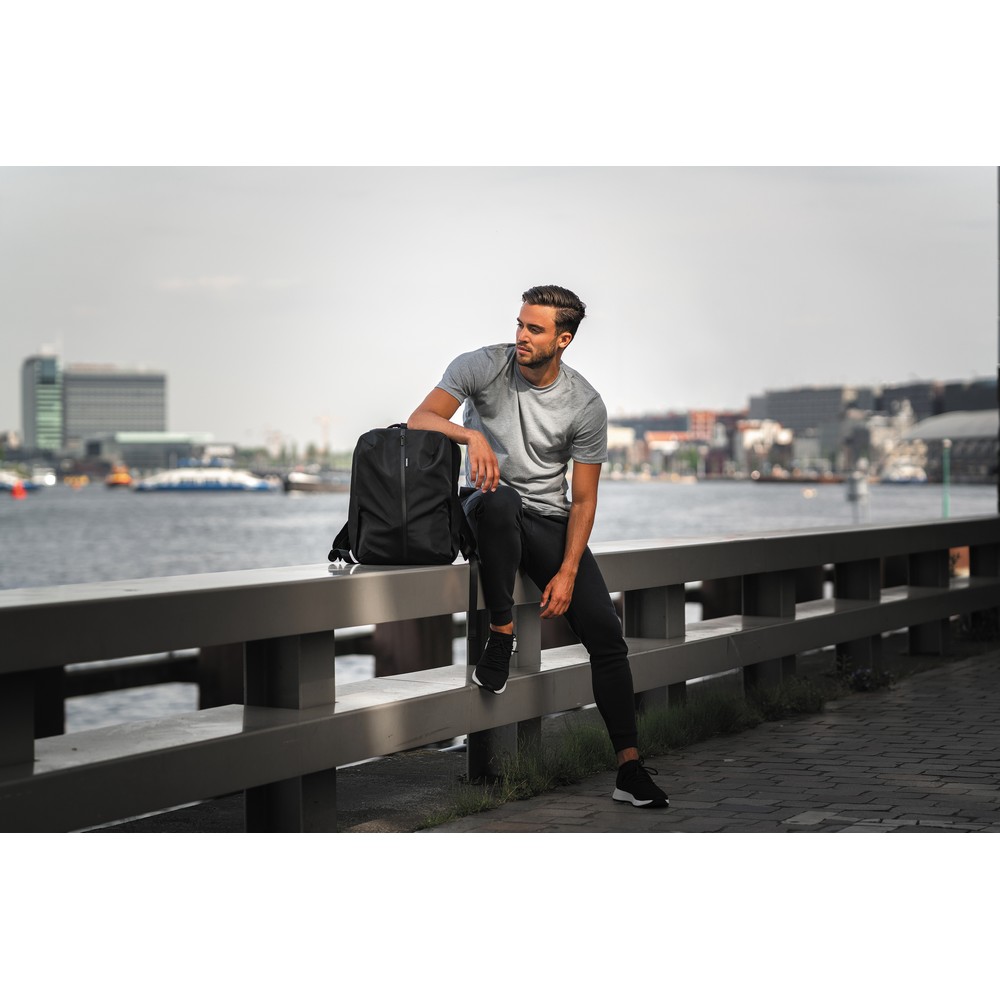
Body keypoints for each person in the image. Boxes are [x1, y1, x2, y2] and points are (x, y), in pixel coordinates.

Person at [407, 284, 669, 808]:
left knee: (607, 635)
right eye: (520, 324)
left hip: (548, 519)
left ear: (563, 339)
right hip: (485, 506)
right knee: (500, 499)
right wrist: (473, 437)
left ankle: (629, 768)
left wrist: (568, 571)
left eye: (535, 329)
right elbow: (421, 419)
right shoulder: (483, 365)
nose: (521, 336)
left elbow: (584, 500)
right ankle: (501, 631)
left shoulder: (585, 404)